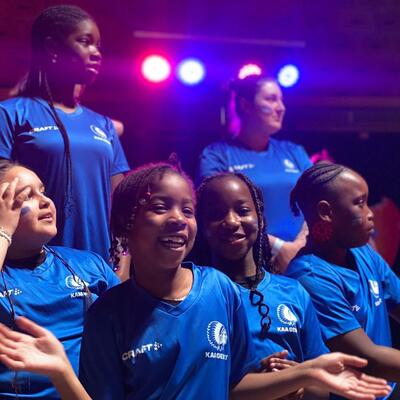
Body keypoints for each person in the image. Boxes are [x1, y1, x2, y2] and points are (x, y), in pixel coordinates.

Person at [0, 5, 130, 262]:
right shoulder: (10, 114)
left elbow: (122, 206)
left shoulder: (103, 125)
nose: (96, 53)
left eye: (98, 46)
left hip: (100, 266)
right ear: (52, 48)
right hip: (34, 268)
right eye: (85, 42)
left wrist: (123, 261)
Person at [194, 172, 329, 398]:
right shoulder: (197, 297)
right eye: (217, 214)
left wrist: (300, 381)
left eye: (243, 211)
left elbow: (324, 388)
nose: (231, 221)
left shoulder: (293, 292)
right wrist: (272, 382)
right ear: (201, 225)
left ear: (260, 217)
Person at [0, 160, 119, 398]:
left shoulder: (89, 264)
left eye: (42, 191)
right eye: (26, 196)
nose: (46, 201)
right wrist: (3, 230)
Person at [286, 162, 400, 400]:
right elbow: (368, 359)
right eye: (359, 203)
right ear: (326, 212)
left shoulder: (363, 252)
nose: (370, 213)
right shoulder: (310, 278)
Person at [196, 75, 312, 273]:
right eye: (271, 99)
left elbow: (317, 199)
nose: (281, 107)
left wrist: (300, 244)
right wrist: (278, 248)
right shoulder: (217, 155)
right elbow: (216, 215)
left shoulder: (294, 152)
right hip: (247, 266)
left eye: (281, 100)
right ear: (246, 105)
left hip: (303, 259)